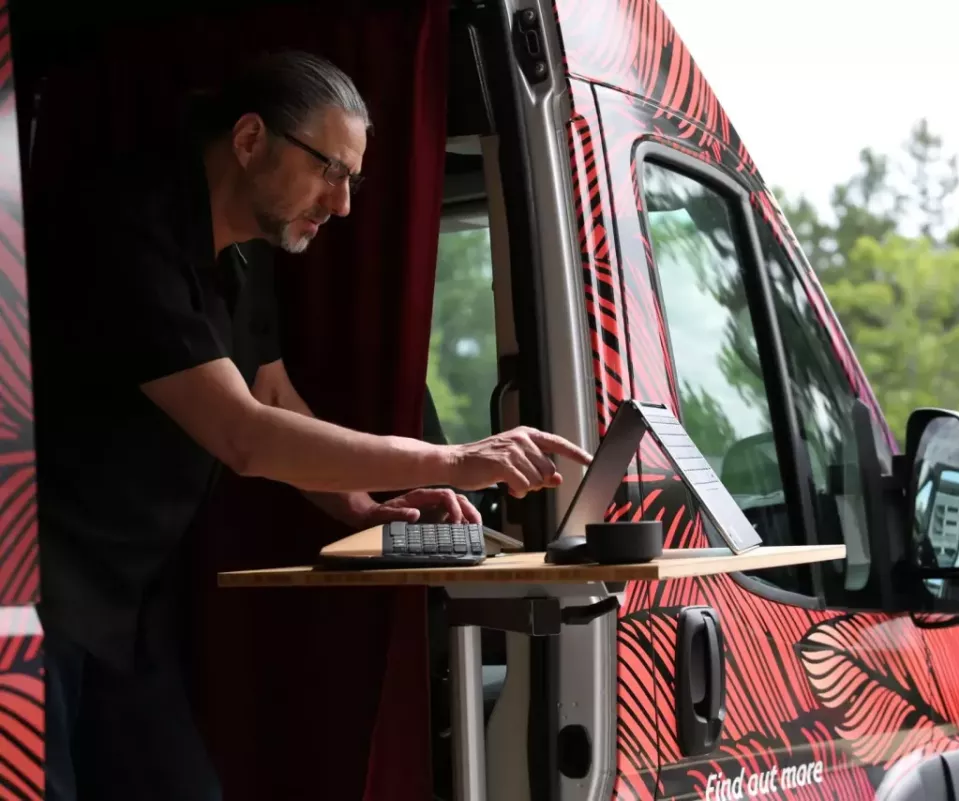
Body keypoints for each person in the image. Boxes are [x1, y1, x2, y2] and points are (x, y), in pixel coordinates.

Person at [27, 50, 591, 801]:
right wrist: (451, 459)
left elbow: (274, 397)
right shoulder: (129, 234)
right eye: (331, 168)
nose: (345, 203)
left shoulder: (246, 261)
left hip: (126, 605)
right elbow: (246, 437)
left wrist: (357, 502)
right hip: (32, 604)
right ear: (251, 139)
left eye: (353, 178)